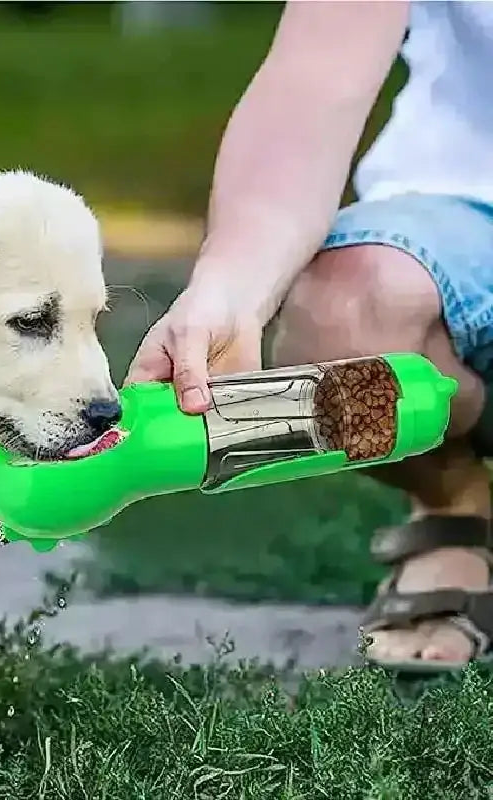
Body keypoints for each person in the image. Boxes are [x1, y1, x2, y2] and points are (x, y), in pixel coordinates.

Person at [126, 0, 492, 671]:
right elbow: (313, 80)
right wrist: (231, 286)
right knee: (346, 319)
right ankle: (459, 509)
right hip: (465, 203)